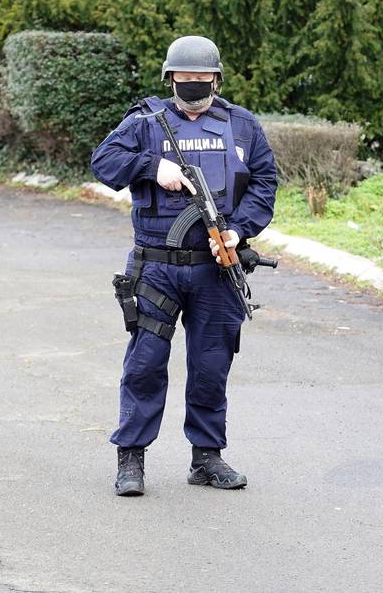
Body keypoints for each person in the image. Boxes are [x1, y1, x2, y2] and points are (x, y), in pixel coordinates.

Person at [91, 35, 277, 496]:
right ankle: (131, 459)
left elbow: (265, 181)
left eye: (201, 78)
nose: (193, 85)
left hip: (216, 268)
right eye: (184, 78)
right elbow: (104, 162)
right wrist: (152, 167)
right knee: (145, 365)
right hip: (157, 268)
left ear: (216, 78)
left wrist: (239, 231)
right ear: (170, 77)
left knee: (211, 364)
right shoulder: (146, 122)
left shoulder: (241, 125)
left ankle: (207, 458)